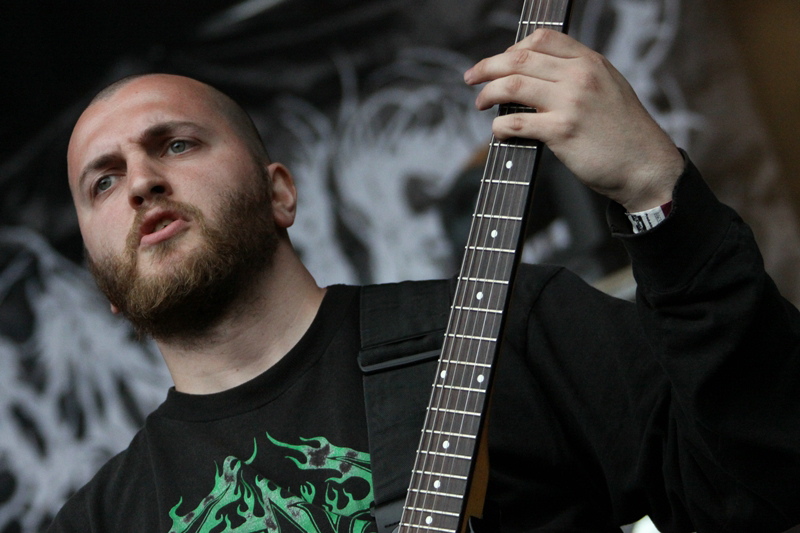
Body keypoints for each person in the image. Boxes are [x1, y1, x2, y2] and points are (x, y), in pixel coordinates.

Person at [51, 29, 799, 532]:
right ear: (105, 283)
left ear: (281, 192)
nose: (142, 181)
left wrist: (654, 189)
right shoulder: (105, 518)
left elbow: (766, 481)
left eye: (176, 143)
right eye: (103, 182)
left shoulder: (508, 327)